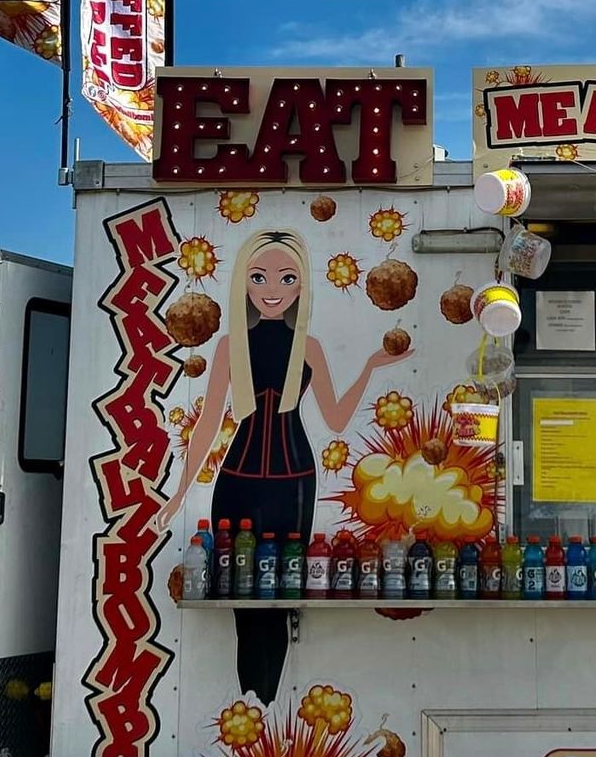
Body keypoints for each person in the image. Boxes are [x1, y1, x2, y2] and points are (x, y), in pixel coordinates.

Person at [156, 229, 411, 702]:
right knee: (237, 595)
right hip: (238, 480)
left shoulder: (307, 347)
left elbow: (334, 418)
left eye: (286, 277)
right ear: (244, 284)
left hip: (293, 481)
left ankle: (267, 702)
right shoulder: (230, 344)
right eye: (259, 277)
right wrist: (176, 495)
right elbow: (210, 421)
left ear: (301, 286)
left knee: (280, 593)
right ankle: (253, 702)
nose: (272, 289)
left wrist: (372, 368)